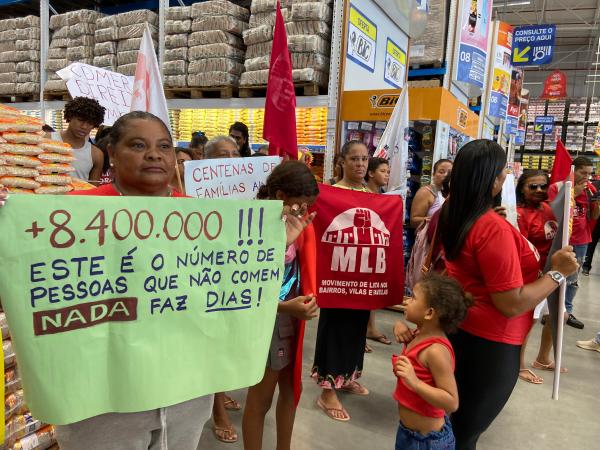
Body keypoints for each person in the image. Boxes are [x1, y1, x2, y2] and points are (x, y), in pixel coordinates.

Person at [0, 111, 312, 450]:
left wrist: (273, 244)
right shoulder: (72, 214)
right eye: (138, 145)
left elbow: (229, 288)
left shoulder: (206, 219)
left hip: (185, 392)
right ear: (112, 155)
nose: (154, 154)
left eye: (163, 146)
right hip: (103, 403)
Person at [438, 139, 578, 449]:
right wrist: (557, 273)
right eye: (503, 172)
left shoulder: (454, 210)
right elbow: (510, 303)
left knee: (454, 428)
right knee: (464, 435)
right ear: (494, 179)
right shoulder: (491, 228)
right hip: (492, 344)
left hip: (463, 331)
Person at [243, 161, 320, 450]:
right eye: (300, 205)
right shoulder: (254, 225)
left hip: (290, 314)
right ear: (279, 196)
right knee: (260, 398)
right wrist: (288, 308)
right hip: (271, 317)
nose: (304, 212)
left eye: (308, 206)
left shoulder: (293, 221)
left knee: (289, 389)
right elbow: (248, 287)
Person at [312, 140, 371, 422]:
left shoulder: (371, 194)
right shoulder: (331, 193)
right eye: (354, 159)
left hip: (361, 276)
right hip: (336, 277)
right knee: (335, 330)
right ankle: (327, 391)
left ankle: (347, 375)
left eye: (364, 159)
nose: (360, 164)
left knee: (356, 330)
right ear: (342, 162)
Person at [392, 274, 473, 450]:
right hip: (408, 433)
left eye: (413, 298)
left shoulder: (436, 351)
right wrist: (398, 325)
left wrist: (415, 382)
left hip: (427, 442)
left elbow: (452, 402)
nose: (407, 301)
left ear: (429, 313)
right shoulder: (418, 333)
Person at [515, 171, 559, 383]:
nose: (539, 190)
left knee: (557, 315)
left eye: (543, 186)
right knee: (528, 321)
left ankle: (542, 358)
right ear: (522, 189)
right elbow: (522, 249)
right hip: (532, 275)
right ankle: (519, 365)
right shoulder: (519, 214)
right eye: (533, 187)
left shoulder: (548, 209)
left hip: (551, 272)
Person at [548, 156, 600, 329]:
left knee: (573, 279)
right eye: (582, 172)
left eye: (589, 174)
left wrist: (597, 206)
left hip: (582, 240)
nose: (586, 177)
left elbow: (593, 217)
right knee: (554, 275)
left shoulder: (590, 190)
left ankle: (567, 311)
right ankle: (548, 310)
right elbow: (553, 214)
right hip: (562, 239)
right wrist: (574, 193)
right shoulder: (558, 187)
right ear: (573, 170)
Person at [364, 157, 392, 352]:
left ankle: (370, 328)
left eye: (388, 171)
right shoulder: (363, 194)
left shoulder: (383, 197)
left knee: (371, 290)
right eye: (383, 171)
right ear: (371, 173)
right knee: (361, 292)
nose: (387, 175)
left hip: (376, 249)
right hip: (362, 250)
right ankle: (360, 333)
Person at [49, 97, 106, 182]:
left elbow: (94, 190)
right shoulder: (47, 140)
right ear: (70, 116)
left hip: (81, 195)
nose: (84, 126)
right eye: (80, 120)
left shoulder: (96, 154)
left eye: (90, 123)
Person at [410, 159, 452, 229]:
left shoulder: (456, 194)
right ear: (434, 174)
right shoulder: (425, 192)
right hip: (430, 237)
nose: (445, 175)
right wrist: (435, 220)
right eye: (441, 172)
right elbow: (414, 221)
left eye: (450, 173)